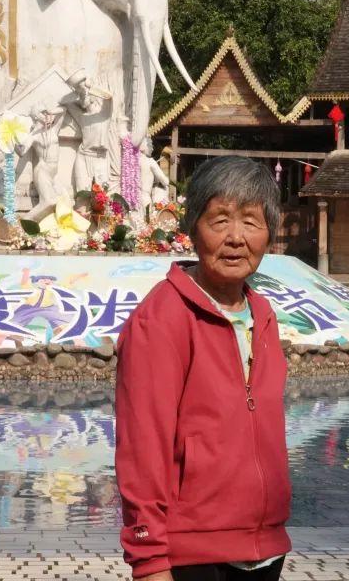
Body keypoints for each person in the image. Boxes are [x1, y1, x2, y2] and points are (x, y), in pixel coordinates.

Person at [115, 156, 291, 581]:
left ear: (269, 232)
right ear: (193, 227)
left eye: (251, 222)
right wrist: (149, 559)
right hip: (193, 554)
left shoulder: (262, 315)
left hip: (265, 549)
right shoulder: (162, 318)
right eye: (220, 220)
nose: (236, 238)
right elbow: (143, 448)